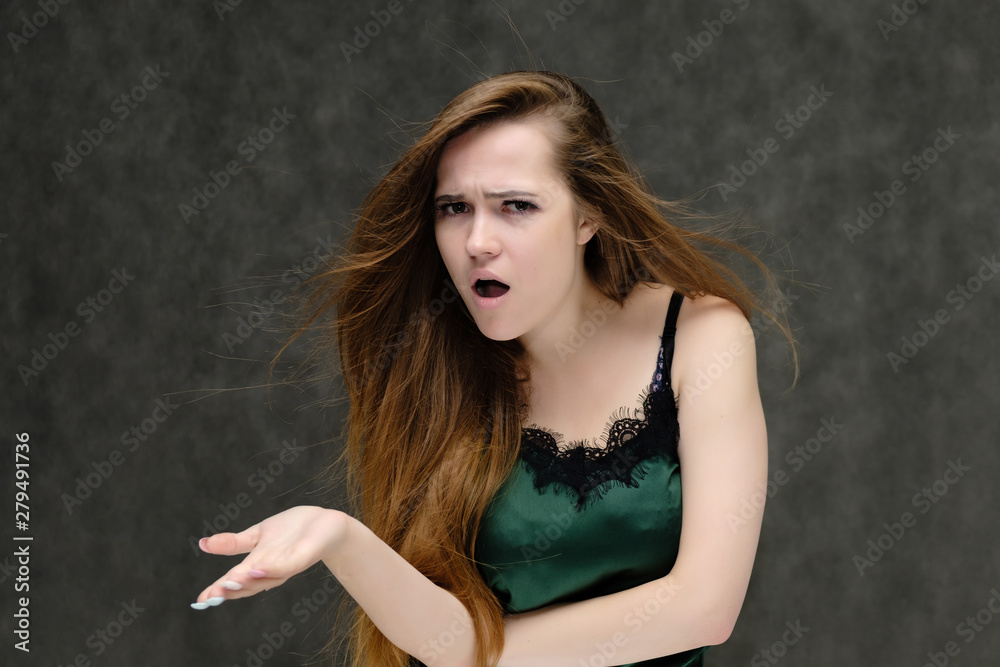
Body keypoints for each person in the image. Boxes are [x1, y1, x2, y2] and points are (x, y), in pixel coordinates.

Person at [190, 70, 798, 667]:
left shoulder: (702, 338)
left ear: (589, 217)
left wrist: (473, 657)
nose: (478, 240)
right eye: (455, 208)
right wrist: (339, 538)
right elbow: (441, 633)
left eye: (515, 206)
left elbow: (705, 608)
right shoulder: (433, 369)